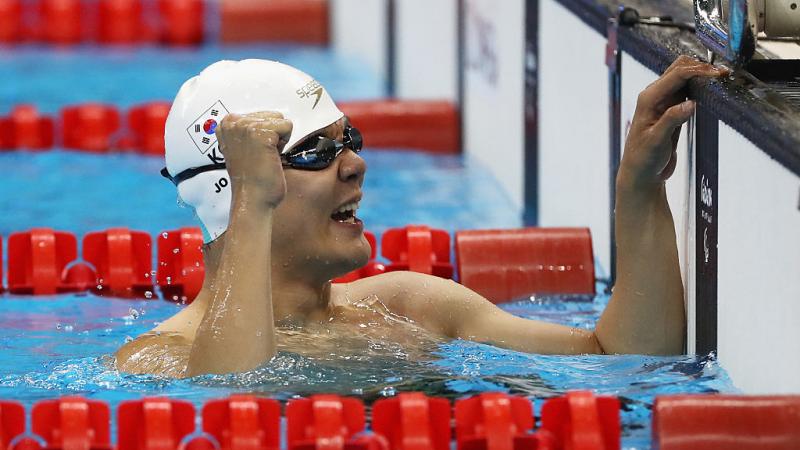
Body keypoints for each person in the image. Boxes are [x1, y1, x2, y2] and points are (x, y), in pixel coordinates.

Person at [115, 57, 728, 378]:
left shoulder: (410, 305)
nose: (355, 165)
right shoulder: (158, 358)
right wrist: (254, 202)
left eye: (349, 139)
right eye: (317, 151)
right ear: (235, 189)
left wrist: (640, 187)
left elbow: (624, 359)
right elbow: (233, 396)